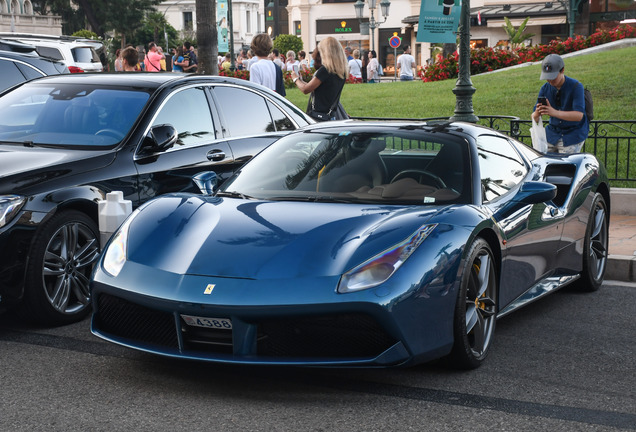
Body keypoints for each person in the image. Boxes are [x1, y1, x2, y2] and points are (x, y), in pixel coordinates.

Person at [531, 54, 588, 154]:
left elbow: (579, 115)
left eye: (553, 77)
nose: (550, 80)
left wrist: (554, 112)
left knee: (565, 168)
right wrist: (537, 113)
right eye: (547, 77)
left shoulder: (576, 86)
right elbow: (534, 116)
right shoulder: (545, 88)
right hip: (552, 134)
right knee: (546, 164)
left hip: (572, 135)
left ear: (562, 70)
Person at [291, 36, 348, 121]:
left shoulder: (325, 70)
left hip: (319, 116)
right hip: (331, 116)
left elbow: (305, 89)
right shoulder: (341, 71)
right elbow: (318, 88)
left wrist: (295, 79)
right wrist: (301, 80)